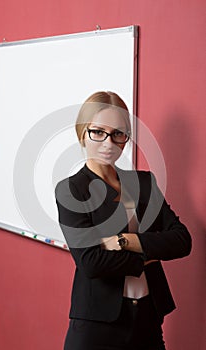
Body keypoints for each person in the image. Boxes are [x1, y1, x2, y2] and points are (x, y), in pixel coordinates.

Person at [55, 91, 191, 350]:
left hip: (148, 318)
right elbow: (91, 263)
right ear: (83, 132)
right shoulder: (72, 190)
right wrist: (148, 254)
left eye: (118, 133)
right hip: (98, 323)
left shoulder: (144, 183)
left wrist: (125, 241)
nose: (108, 143)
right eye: (98, 132)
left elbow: (182, 240)